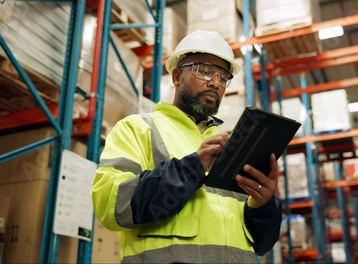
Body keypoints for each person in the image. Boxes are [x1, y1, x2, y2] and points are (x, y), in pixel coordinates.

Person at [91, 30, 282, 263]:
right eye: (204, 71)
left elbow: (261, 244)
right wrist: (193, 167)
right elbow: (111, 206)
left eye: (223, 77)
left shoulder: (232, 147)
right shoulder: (139, 129)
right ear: (177, 76)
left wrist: (263, 205)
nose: (215, 83)